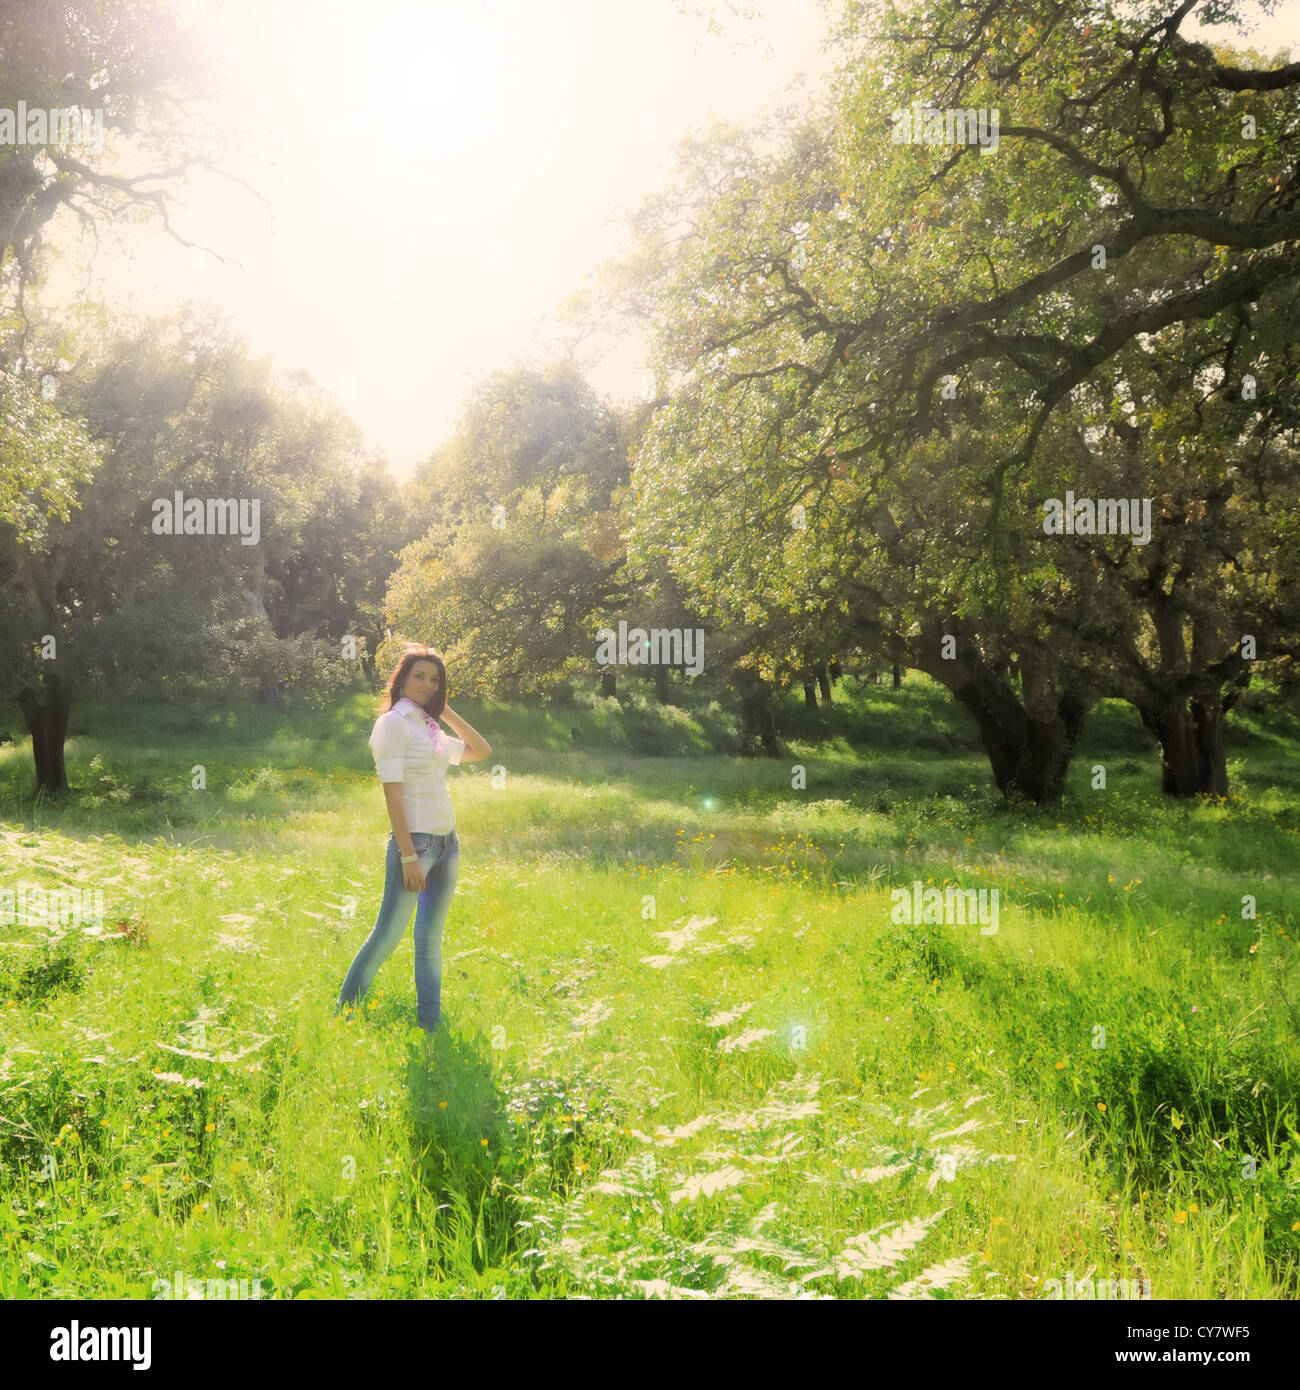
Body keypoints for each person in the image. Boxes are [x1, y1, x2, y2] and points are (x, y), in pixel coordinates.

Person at [335, 643, 492, 1034]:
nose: (426, 684)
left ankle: (430, 1024)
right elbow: (392, 792)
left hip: (446, 844)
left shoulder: (428, 725)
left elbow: (481, 751)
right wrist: (407, 855)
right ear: (401, 678)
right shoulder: (393, 724)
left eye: (435, 680)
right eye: (419, 676)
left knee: (429, 938)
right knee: (387, 936)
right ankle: (345, 1015)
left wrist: (445, 709)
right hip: (416, 845)